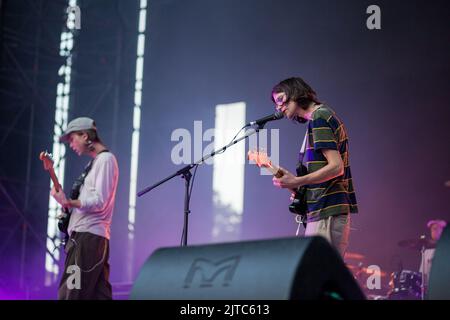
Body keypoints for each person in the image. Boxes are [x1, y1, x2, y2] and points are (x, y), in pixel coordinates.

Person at [271, 77, 358, 256]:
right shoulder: (319, 118)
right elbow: (321, 175)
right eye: (276, 104)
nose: (278, 107)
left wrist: (297, 180)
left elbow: (336, 167)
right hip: (323, 209)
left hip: (328, 210)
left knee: (321, 278)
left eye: (280, 100)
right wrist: (293, 182)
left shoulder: (320, 117)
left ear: (295, 93)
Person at [51, 117, 119, 300]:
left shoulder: (106, 160)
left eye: (73, 138)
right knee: (99, 295)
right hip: (89, 238)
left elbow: (99, 201)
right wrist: (67, 207)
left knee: (71, 294)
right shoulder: (96, 162)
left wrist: (69, 202)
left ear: (85, 135)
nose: (71, 144)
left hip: (87, 239)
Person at [419, 219, 447, 288]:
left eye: (436, 228)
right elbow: (423, 274)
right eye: (432, 229)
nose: (433, 231)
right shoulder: (426, 251)